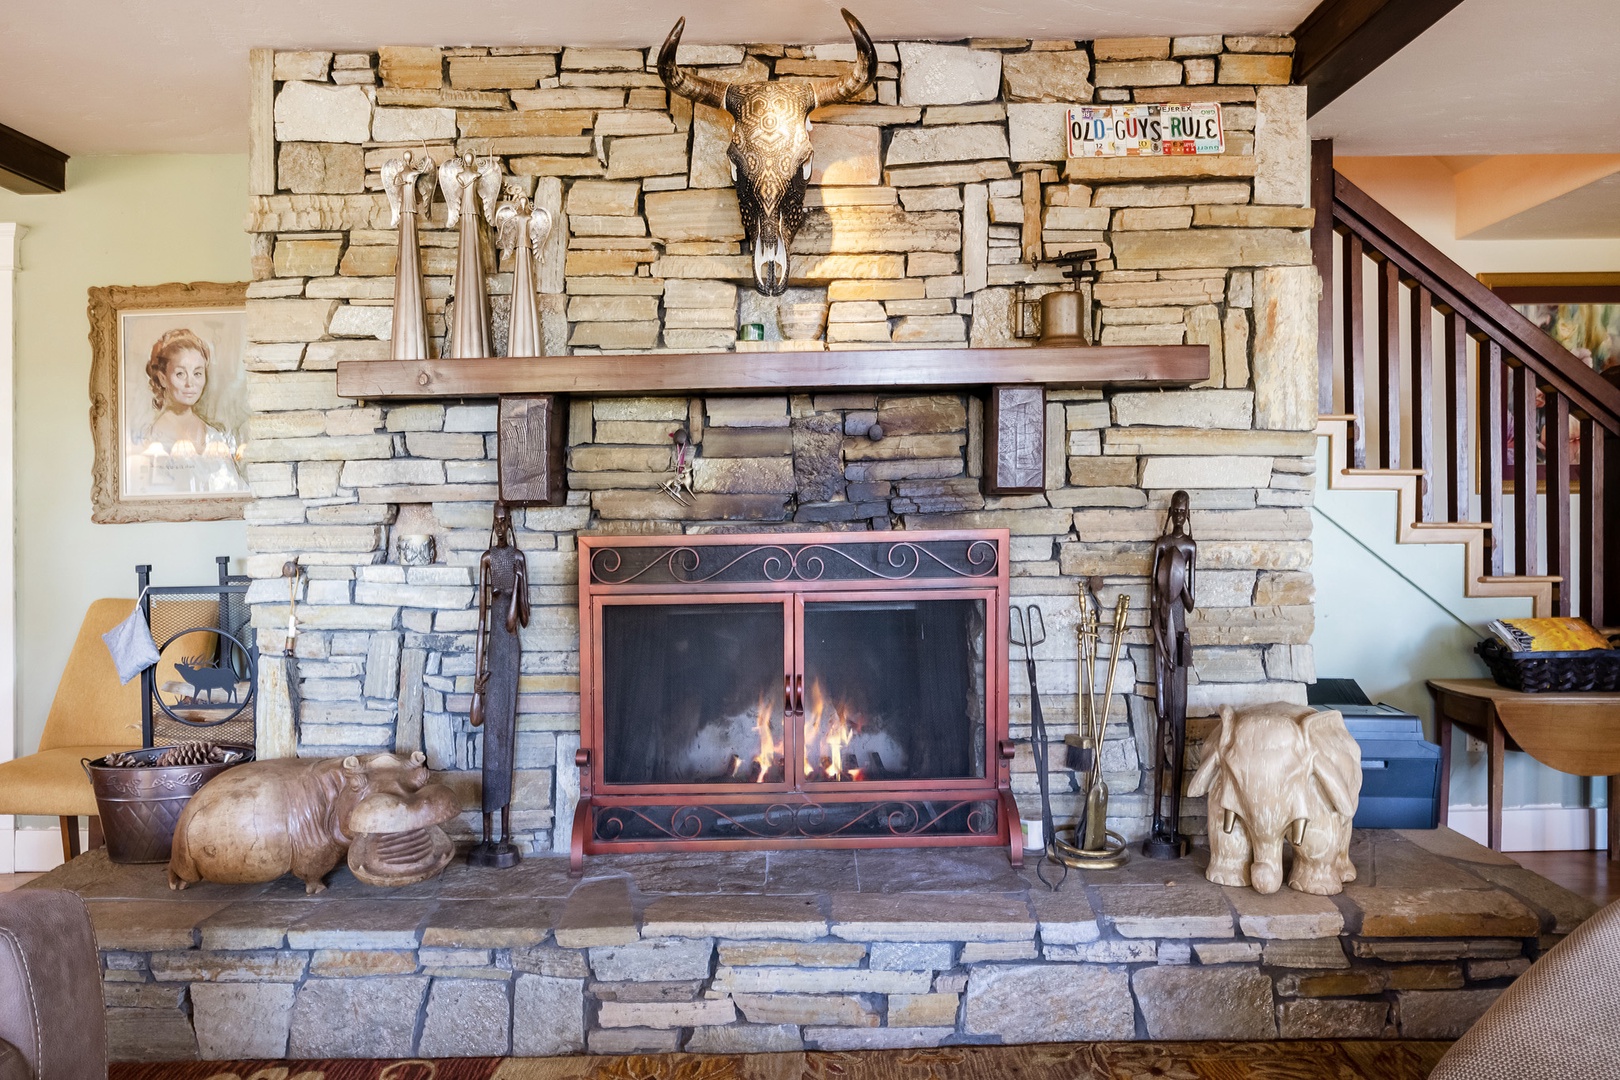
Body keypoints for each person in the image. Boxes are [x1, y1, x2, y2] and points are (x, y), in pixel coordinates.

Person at [128, 328, 244, 495]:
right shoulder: (151, 440)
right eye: (180, 374)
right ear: (162, 378)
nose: (191, 383)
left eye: (197, 373)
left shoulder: (215, 435)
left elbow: (236, 489)